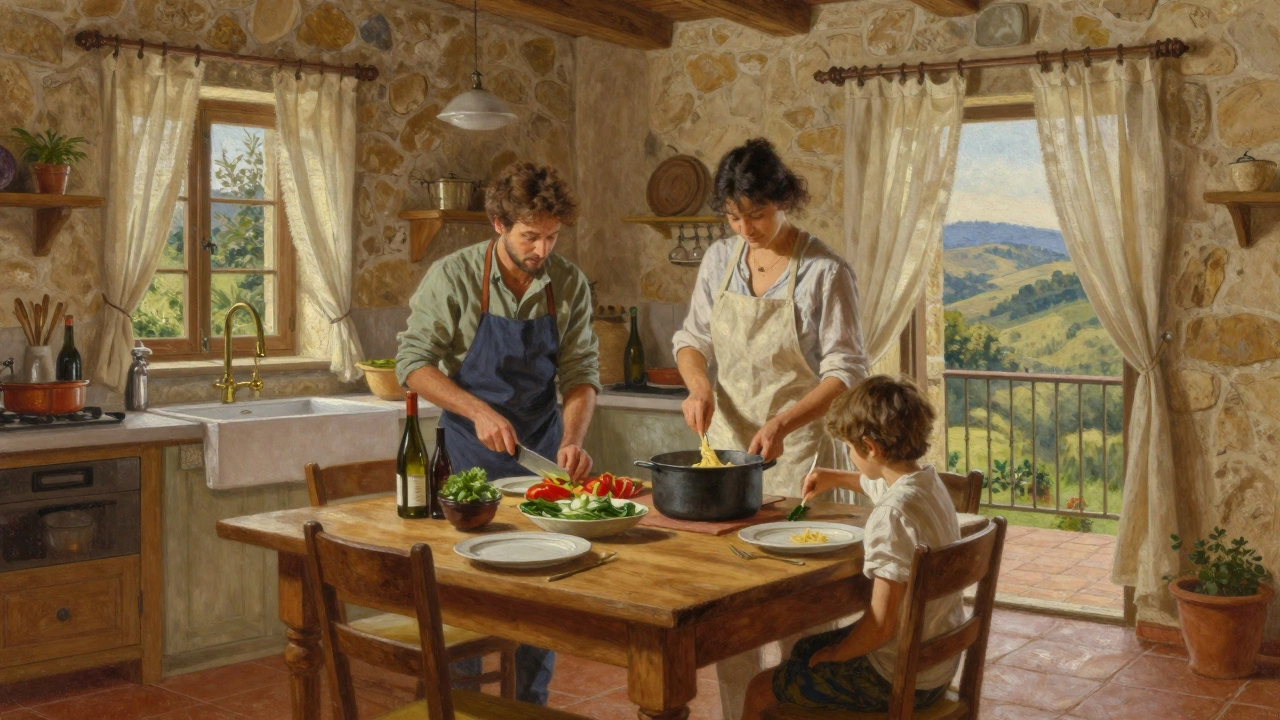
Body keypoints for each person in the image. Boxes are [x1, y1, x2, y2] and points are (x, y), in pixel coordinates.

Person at [671, 138, 869, 718]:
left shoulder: (824, 272)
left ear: (784, 200)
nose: (746, 228)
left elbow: (846, 371)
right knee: (731, 606)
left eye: (756, 214)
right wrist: (698, 385)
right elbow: (691, 339)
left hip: (800, 454)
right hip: (728, 455)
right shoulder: (718, 262)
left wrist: (785, 420)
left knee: (802, 605)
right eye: (734, 216)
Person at [395, 161, 601, 704]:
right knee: (464, 598)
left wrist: (573, 440)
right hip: (469, 462)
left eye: (552, 237)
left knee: (542, 595)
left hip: (542, 458)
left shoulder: (570, 284)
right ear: (498, 226)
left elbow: (581, 376)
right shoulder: (454, 276)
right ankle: (460, 709)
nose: (542, 250)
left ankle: (528, 708)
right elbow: (412, 366)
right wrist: (478, 412)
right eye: (530, 237)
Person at [739, 375, 964, 719]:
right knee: (804, 649)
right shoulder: (927, 485)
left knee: (761, 689)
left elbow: (880, 625)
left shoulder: (891, 516)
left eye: (849, 447)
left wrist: (837, 655)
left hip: (898, 677)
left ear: (869, 447)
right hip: (936, 664)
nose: (848, 455)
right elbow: (882, 487)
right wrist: (837, 477)